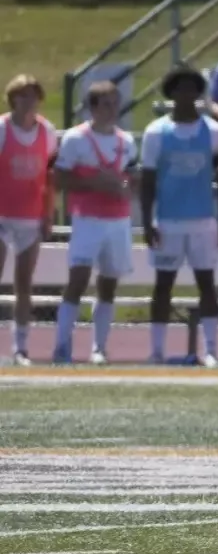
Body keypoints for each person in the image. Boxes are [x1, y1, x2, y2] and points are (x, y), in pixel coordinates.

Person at [139, 67, 218, 367]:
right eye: (179, 88)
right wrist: (146, 221)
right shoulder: (156, 132)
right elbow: (147, 181)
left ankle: (211, 350)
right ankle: (157, 351)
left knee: (206, 283)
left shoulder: (215, 132)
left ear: (198, 93)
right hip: (168, 220)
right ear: (171, 93)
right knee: (163, 285)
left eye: (192, 88)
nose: (186, 94)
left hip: (203, 221)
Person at [50, 81, 136, 365]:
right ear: (92, 107)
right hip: (87, 219)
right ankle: (62, 345)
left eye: (115, 103)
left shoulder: (127, 141)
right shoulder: (76, 139)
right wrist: (93, 182)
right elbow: (58, 178)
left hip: (118, 221)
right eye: (106, 104)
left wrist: (123, 186)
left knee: (109, 284)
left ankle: (99, 347)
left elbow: (131, 178)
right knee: (78, 279)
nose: (112, 110)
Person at [0, 76, 56, 365]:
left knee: (24, 283)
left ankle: (20, 347)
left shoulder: (47, 132)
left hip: (30, 216)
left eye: (33, 95)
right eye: (22, 95)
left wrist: (48, 214)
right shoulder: (2, 129)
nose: (28, 101)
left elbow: (49, 176)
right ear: (13, 99)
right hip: (1, 215)